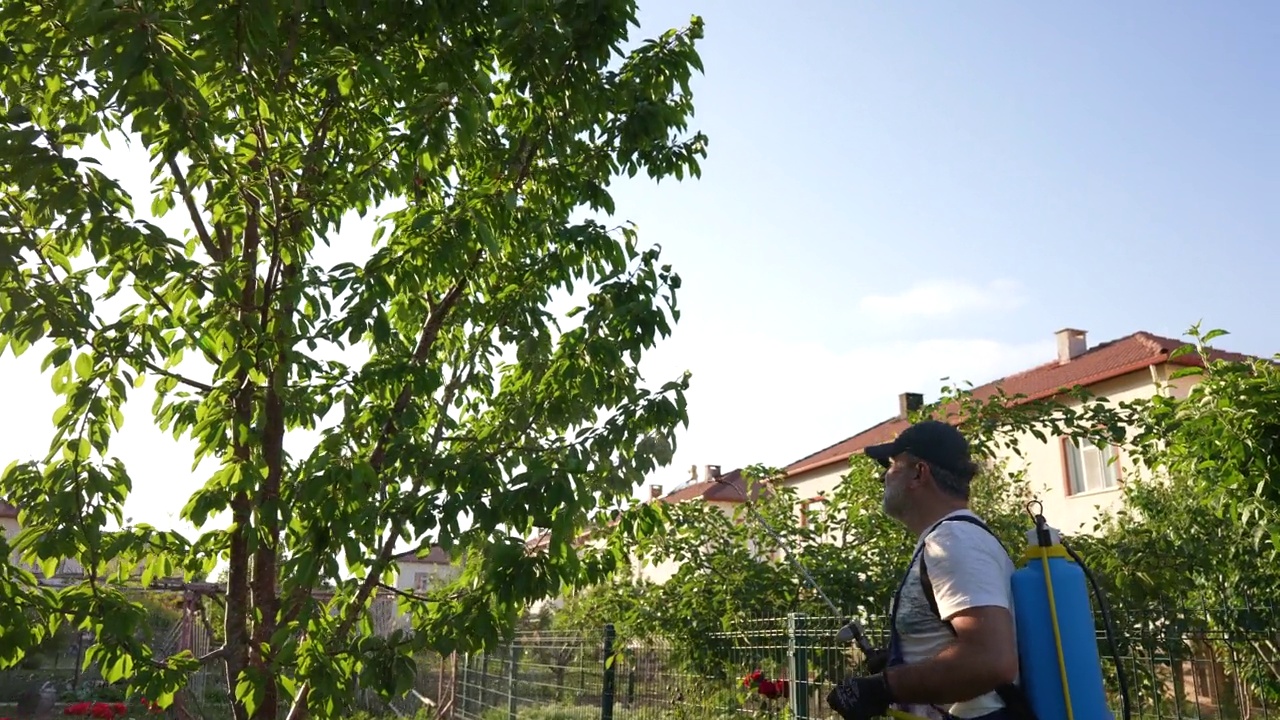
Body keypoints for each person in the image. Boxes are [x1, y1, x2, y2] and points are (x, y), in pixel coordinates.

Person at [826, 420, 1025, 720]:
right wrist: (902, 666)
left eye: (892, 465)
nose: (883, 477)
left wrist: (885, 686)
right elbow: (951, 643)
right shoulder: (950, 539)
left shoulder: (953, 542)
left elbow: (991, 660)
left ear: (919, 473)